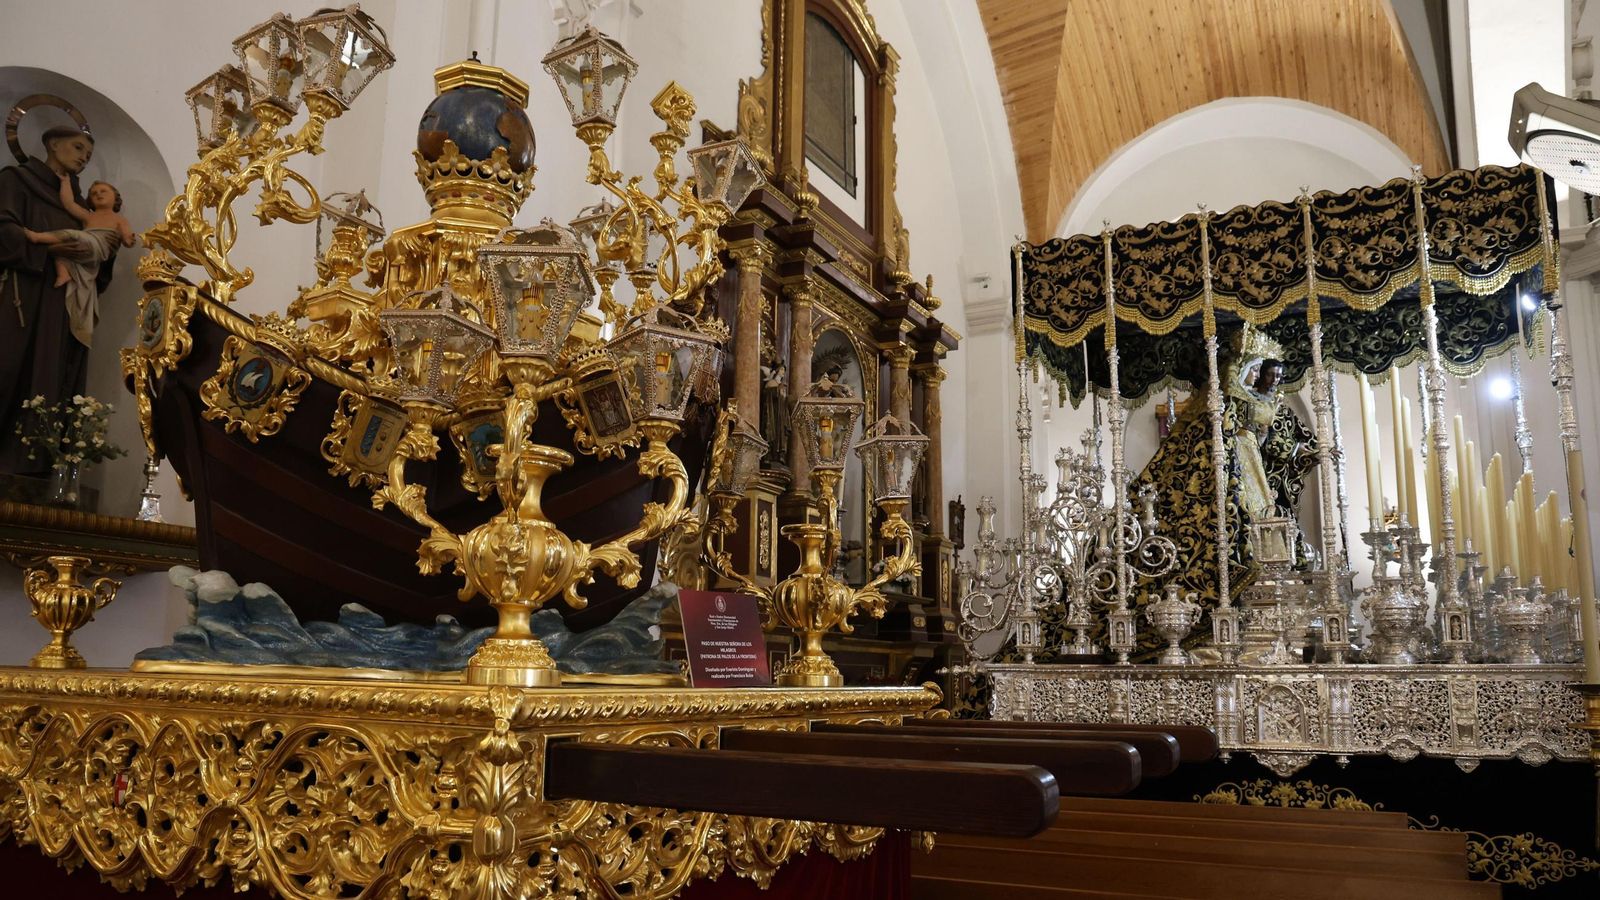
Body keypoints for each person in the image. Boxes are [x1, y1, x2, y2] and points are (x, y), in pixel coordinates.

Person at [0, 126, 118, 477]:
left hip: (63, 306)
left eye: (88, 153)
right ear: (52, 144)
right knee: (9, 369)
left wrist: (103, 252)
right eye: (78, 147)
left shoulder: (81, 204)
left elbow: (98, 256)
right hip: (21, 294)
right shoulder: (16, 181)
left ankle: (34, 470)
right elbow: (3, 230)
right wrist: (47, 251)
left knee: (51, 382)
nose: (83, 156)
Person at [24, 177, 136, 347]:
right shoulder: (88, 216)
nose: (98, 194)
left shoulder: (118, 219)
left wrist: (129, 239)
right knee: (62, 248)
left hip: (98, 246)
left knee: (73, 235)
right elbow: (68, 204)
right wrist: (64, 181)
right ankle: (63, 273)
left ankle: (37, 237)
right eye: (93, 193)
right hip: (85, 247)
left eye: (103, 191)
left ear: (115, 197)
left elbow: (127, 237)